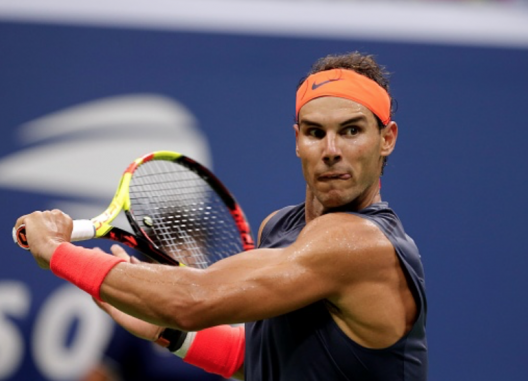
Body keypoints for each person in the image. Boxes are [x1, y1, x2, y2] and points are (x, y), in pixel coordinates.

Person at [15, 51, 428, 381]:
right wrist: (165, 331)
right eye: (315, 132)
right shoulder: (280, 228)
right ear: (297, 140)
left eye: (352, 131)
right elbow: (257, 361)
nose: (331, 148)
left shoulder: (361, 244)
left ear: (386, 139)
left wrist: (56, 250)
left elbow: (192, 299)